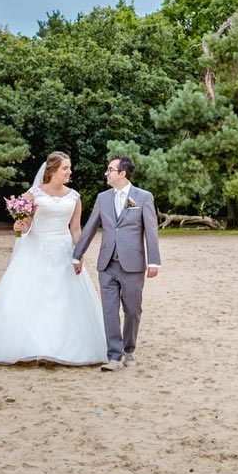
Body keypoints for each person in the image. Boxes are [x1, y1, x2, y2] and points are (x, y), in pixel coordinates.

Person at [0, 152, 108, 365]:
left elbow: (75, 228)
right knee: (32, 296)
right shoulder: (33, 194)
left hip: (63, 249)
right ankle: (31, 347)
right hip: (36, 248)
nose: (69, 172)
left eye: (69, 168)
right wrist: (20, 226)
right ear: (52, 170)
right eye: (65, 168)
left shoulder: (74, 197)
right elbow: (26, 225)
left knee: (64, 298)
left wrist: (78, 254)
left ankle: (64, 348)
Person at [73, 156, 161, 371]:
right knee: (109, 310)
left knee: (132, 310)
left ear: (122, 173)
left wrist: (154, 261)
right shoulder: (102, 198)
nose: (106, 173)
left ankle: (129, 349)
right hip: (107, 264)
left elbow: (151, 230)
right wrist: (77, 254)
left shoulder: (143, 197)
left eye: (110, 169)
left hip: (133, 264)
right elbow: (91, 226)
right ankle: (114, 356)